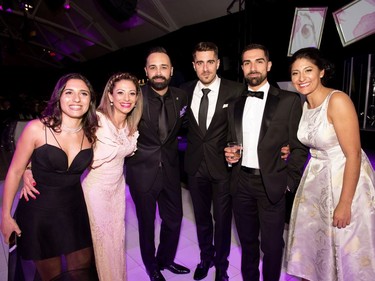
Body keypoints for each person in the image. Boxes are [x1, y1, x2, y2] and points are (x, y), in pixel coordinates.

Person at [21, 72, 143, 280]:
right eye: (120, 92)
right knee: (96, 244)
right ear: (110, 96)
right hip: (94, 192)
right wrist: (29, 168)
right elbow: (59, 138)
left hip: (116, 191)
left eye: (132, 93)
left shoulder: (131, 125)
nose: (126, 98)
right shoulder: (96, 120)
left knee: (115, 241)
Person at [285, 47, 375, 281]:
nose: (301, 78)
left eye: (308, 70)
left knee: (346, 250)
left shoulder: (338, 100)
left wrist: (345, 203)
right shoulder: (305, 104)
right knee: (317, 246)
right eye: (295, 73)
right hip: (316, 179)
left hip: (343, 179)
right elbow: (312, 140)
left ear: (322, 72)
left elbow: (353, 154)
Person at [1, 73, 98, 281]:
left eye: (83, 93)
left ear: (90, 100)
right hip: (39, 214)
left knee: (82, 269)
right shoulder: (37, 128)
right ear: (58, 97)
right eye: (69, 93)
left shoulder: (91, 131)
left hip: (75, 211)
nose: (76, 99)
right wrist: (5, 215)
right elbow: (14, 171)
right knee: (51, 275)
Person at [224, 43, 308, 281]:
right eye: (247, 62)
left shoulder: (289, 100)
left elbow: (300, 147)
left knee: (271, 247)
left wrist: (288, 181)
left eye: (259, 61)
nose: (253, 67)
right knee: (247, 243)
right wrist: (229, 156)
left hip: (272, 184)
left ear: (269, 65)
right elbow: (232, 141)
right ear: (242, 68)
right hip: (241, 184)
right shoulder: (234, 104)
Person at [180, 41, 243, 281]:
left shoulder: (235, 90)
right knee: (202, 218)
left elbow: (242, 126)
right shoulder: (183, 91)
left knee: (223, 220)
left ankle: (222, 266)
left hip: (223, 168)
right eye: (200, 63)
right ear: (194, 65)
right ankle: (205, 258)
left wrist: (239, 148)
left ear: (217, 63)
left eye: (210, 62)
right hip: (195, 168)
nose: (205, 68)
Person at [125, 47, 190, 281]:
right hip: (142, 172)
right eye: (153, 67)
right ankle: (151, 266)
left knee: (174, 219)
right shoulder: (135, 96)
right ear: (146, 71)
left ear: (171, 70)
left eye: (163, 67)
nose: (158, 72)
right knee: (146, 223)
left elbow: (185, 127)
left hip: (171, 171)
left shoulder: (181, 96)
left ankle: (166, 260)